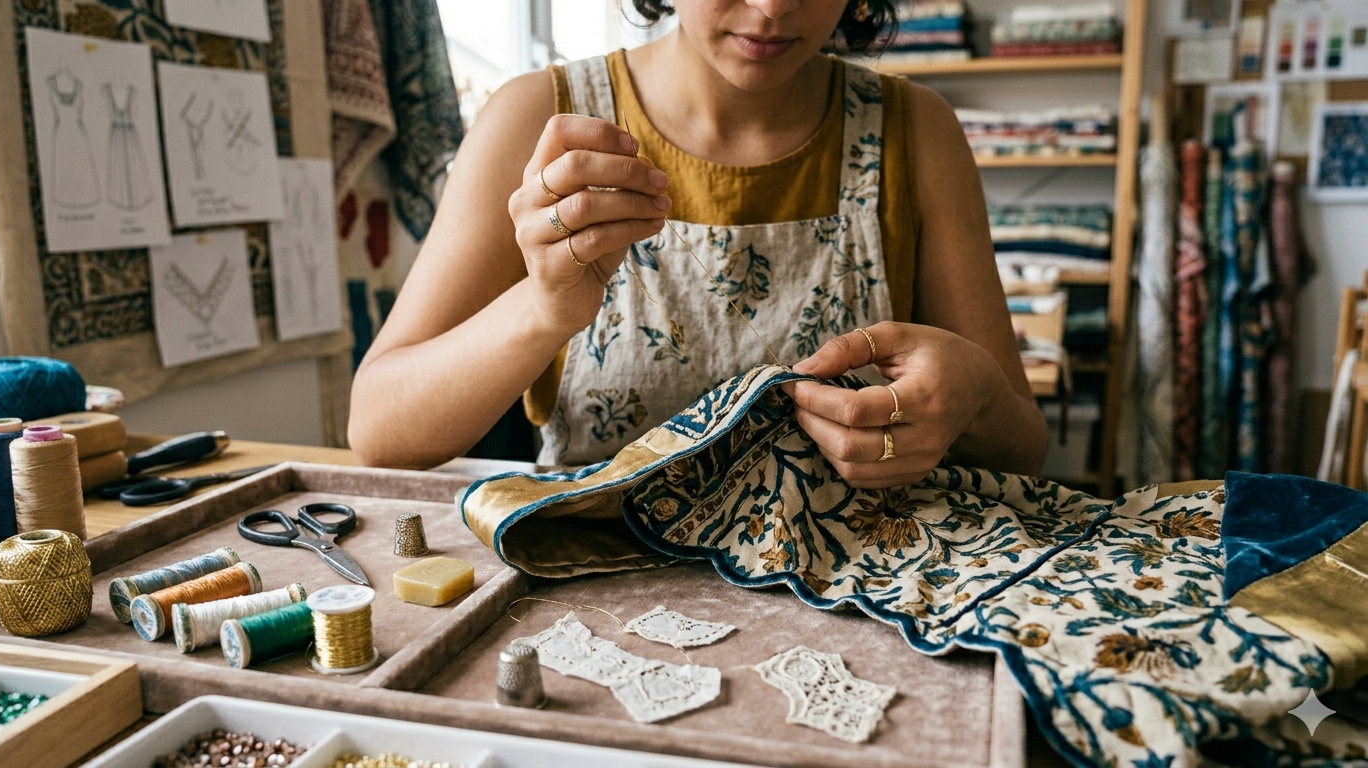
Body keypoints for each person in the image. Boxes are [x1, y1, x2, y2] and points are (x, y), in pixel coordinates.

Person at [349, 0, 1049, 488]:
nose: (773, 7)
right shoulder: (539, 119)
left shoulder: (916, 132)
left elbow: (1023, 449)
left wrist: (977, 397)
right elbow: (380, 431)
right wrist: (543, 309)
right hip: (596, 606)